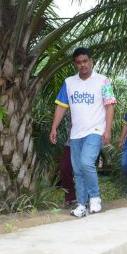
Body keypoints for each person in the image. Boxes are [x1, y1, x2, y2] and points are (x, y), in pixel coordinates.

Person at [51, 47, 116, 217]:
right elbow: (61, 106)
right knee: (78, 170)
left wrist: (107, 130)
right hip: (76, 134)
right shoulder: (69, 82)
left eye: (85, 61)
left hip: (95, 130)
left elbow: (109, 106)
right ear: (75, 64)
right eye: (79, 62)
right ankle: (81, 204)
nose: (82, 65)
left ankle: (94, 197)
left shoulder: (104, 81)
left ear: (91, 61)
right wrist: (54, 127)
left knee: (87, 162)